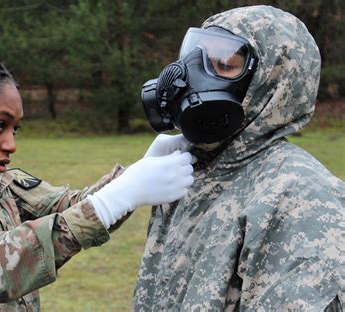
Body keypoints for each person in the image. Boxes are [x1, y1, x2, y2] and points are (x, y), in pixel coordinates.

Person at [0, 51, 195, 311]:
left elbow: (70, 208)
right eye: (0, 124)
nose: (11, 143)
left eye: (15, 129)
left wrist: (135, 174)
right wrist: (120, 196)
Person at [135, 5, 344, 311]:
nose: (187, 76)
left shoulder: (300, 196)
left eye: (223, 63)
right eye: (195, 55)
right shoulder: (189, 175)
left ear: (271, 84)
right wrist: (121, 189)